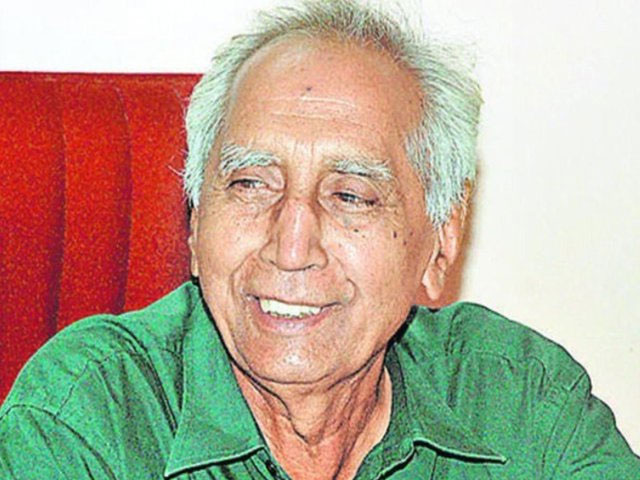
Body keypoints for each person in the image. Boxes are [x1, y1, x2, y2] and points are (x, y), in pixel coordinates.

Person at [0, 1, 638, 478]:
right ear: (194, 225)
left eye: (351, 195)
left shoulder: (520, 403)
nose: (291, 247)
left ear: (439, 243)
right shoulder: (86, 416)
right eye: (251, 184)